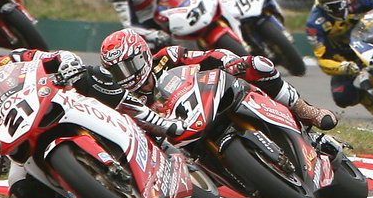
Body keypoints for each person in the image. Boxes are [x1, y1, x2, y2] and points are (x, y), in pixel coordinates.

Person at [0, 26, 175, 198]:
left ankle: (151, 119)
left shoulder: (15, 58)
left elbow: (55, 57)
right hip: (21, 142)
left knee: (91, 76)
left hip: (53, 102)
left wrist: (67, 65)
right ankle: (84, 188)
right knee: (21, 195)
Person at [98, 28, 336, 131]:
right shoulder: (126, 99)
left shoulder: (167, 57)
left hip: (208, 99)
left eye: (131, 66)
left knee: (259, 65)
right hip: (180, 132)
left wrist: (230, 62)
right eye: (119, 72)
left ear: (143, 55)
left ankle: (304, 109)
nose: (128, 75)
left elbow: (207, 56)